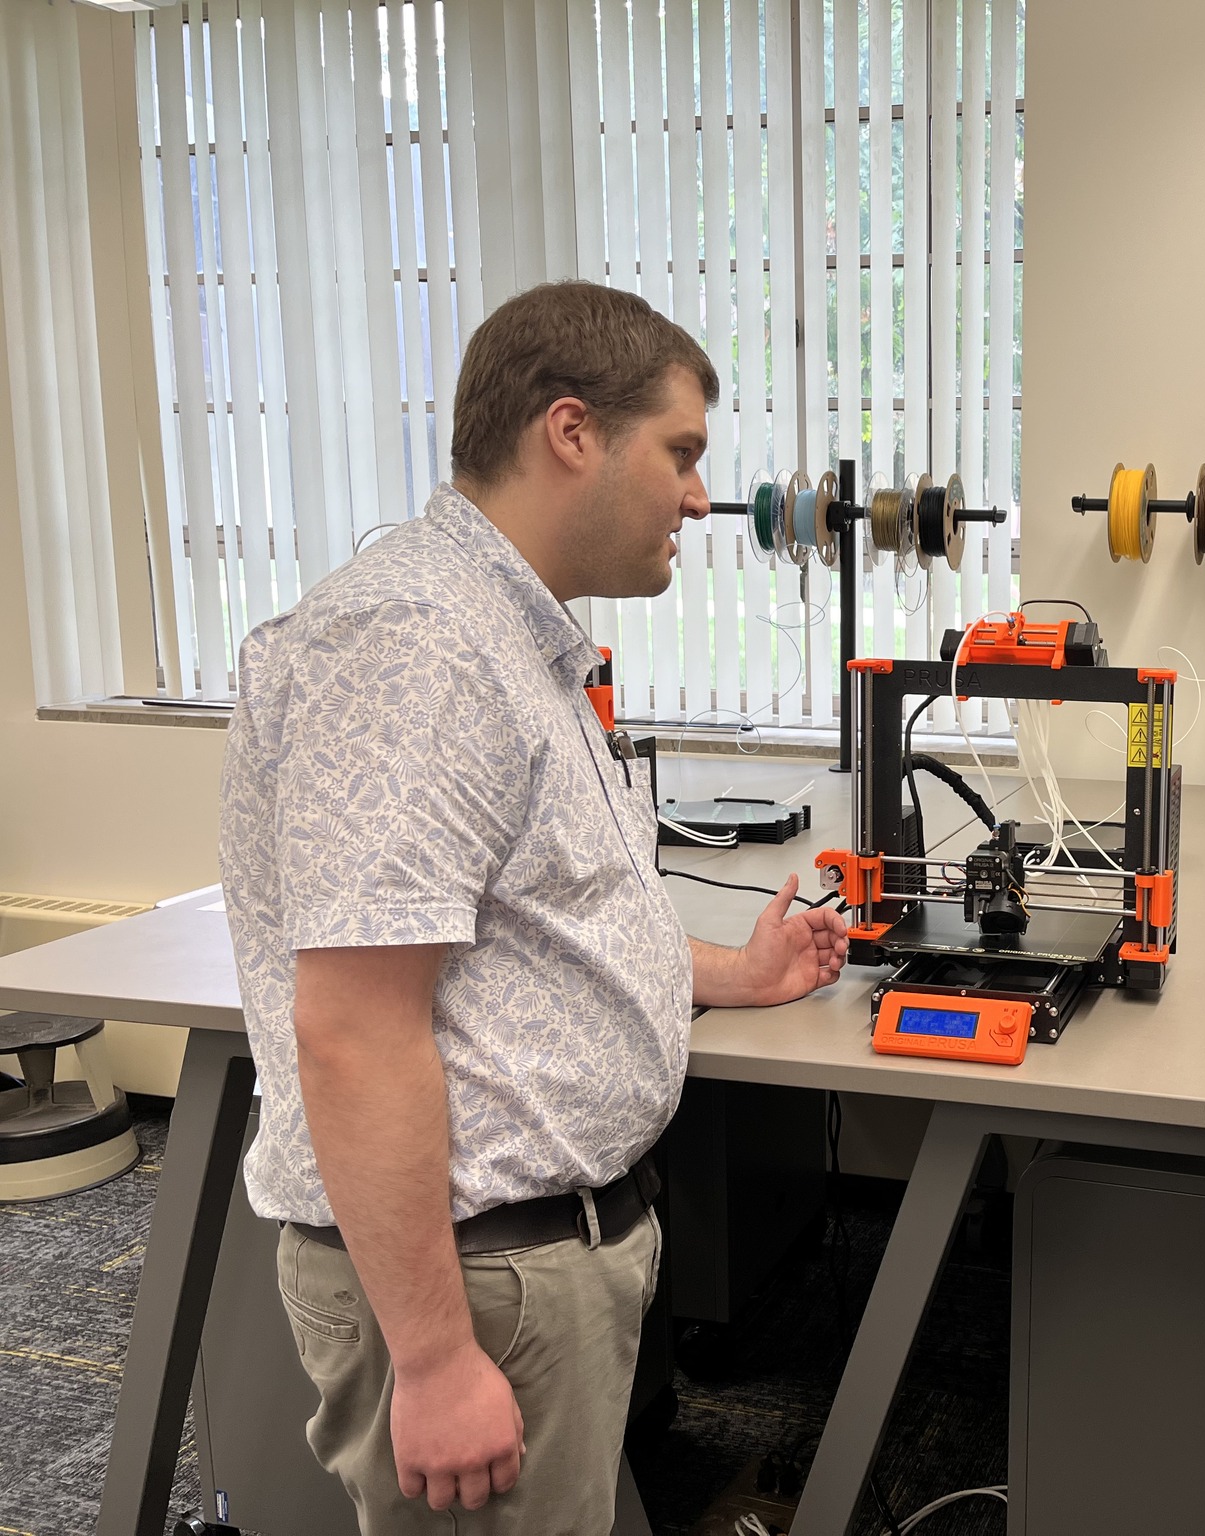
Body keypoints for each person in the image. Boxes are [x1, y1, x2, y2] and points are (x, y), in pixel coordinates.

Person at [219, 280, 849, 1535]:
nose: (699, 497)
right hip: (476, 1277)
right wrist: (439, 1360)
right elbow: (351, 1026)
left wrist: (740, 970)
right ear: (571, 431)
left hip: (523, 1263)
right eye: (679, 453)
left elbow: (543, 933)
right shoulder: (418, 642)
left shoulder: (511, 638)